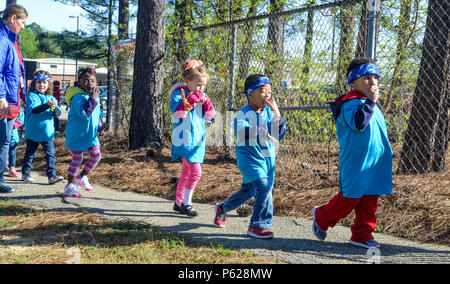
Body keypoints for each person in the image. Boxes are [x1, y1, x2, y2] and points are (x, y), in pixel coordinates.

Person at [311, 57, 393, 249]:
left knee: (370, 199)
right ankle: (322, 216)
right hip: (356, 163)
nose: (372, 82)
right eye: (366, 78)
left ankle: (362, 234)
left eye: (375, 77)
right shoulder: (350, 103)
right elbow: (359, 123)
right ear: (353, 82)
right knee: (351, 197)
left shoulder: (372, 105)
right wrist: (371, 102)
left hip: (374, 163)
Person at [213, 74, 286, 239]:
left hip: (267, 159)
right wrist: (263, 132)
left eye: (269, 90)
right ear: (249, 94)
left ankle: (223, 208)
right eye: (262, 91)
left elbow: (280, 133)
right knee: (263, 187)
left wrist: (276, 112)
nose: (267, 94)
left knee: (248, 192)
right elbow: (241, 132)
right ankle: (257, 225)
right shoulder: (243, 113)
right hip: (249, 159)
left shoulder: (268, 112)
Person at [169, 59, 215, 216]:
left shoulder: (202, 95)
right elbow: (177, 112)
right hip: (184, 139)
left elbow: (210, 117)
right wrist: (191, 100)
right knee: (196, 173)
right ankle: (187, 204)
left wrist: (207, 105)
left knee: (186, 173)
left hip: (197, 139)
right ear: (187, 81)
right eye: (198, 85)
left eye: (203, 86)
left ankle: (178, 202)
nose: (201, 89)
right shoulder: (179, 94)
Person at [64, 67, 104, 198]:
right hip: (77, 134)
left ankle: (81, 177)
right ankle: (69, 185)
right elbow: (84, 114)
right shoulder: (78, 97)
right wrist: (92, 99)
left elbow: (96, 114)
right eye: (85, 81)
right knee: (77, 160)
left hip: (90, 135)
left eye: (92, 81)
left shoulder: (93, 97)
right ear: (79, 82)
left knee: (96, 155)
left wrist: (100, 127)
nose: (90, 83)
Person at [0, 4, 28, 193]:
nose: (24, 27)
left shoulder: (11, 40)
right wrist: (1, 96)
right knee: (3, 141)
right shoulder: (2, 40)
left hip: (11, 99)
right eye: (23, 22)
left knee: (5, 140)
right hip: (4, 101)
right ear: (12, 19)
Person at [22, 70, 64, 185]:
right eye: (39, 82)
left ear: (48, 85)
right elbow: (35, 110)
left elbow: (57, 113)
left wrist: (53, 108)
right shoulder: (32, 96)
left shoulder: (51, 98)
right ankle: (25, 173)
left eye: (44, 83)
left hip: (47, 133)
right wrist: (47, 105)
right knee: (30, 154)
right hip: (33, 132)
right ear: (34, 84)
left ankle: (52, 176)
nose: (42, 85)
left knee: (50, 154)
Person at [7, 106, 24, 178]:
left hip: (12, 135)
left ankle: (12, 168)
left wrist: (13, 125)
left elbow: (20, 119)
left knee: (12, 152)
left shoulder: (18, 108)